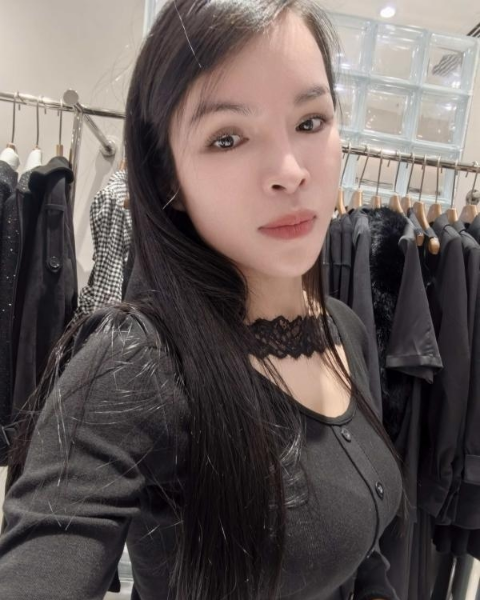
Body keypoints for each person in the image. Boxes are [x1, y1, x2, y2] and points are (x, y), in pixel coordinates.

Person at [0, 1, 405, 598]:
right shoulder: (138, 364)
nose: (290, 171)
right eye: (227, 138)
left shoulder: (344, 329)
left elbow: (362, 559)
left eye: (311, 121)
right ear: (168, 178)